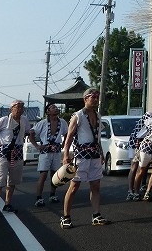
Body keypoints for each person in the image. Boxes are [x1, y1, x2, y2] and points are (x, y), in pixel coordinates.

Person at [60, 88, 110, 228]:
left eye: (97, 97)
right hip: (81, 155)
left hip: (95, 155)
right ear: (85, 99)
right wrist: (66, 155)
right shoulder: (78, 115)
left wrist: (101, 153)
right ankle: (66, 217)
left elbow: (97, 138)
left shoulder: (98, 116)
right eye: (92, 97)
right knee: (74, 186)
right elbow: (69, 137)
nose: (95, 99)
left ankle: (96, 215)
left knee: (95, 186)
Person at [0, 99, 31, 217]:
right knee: (0, 181)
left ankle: (7, 204)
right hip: (4, 153)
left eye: (22, 107)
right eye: (17, 107)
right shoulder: (4, 120)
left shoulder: (24, 120)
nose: (20, 109)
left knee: (13, 181)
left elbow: (27, 132)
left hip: (18, 153)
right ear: (11, 109)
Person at [28, 103, 69, 206]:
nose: (56, 108)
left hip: (56, 151)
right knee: (43, 175)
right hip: (45, 151)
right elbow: (31, 133)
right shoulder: (42, 123)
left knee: (55, 175)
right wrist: (37, 146)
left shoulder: (62, 122)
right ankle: (39, 198)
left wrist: (64, 144)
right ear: (48, 112)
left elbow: (67, 133)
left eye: (56, 107)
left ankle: (52, 195)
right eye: (53, 107)